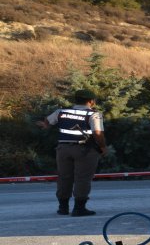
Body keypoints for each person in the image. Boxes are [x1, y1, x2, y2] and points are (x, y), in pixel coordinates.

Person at [37, 89, 107, 217]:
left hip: (63, 149)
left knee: (64, 177)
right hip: (85, 150)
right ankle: (79, 209)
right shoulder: (93, 114)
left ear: (76, 100)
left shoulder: (61, 112)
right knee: (82, 178)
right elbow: (97, 133)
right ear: (91, 101)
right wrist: (102, 147)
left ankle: (63, 208)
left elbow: (47, 121)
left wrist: (45, 125)